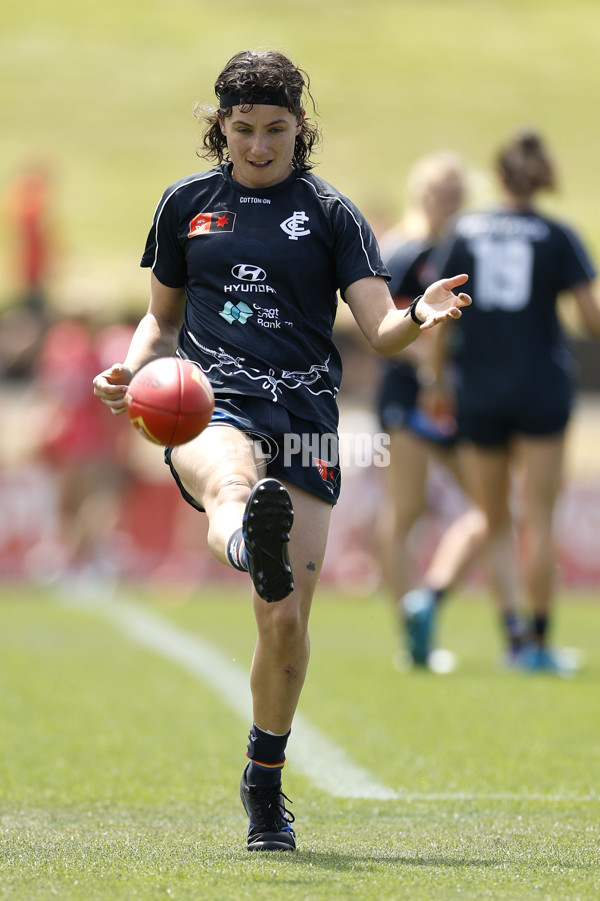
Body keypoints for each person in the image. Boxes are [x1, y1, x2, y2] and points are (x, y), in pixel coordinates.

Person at [93, 49, 471, 851]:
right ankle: (240, 536)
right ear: (219, 129)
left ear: (301, 127)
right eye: (243, 130)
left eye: (275, 130)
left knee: (287, 625)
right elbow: (160, 319)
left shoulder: (331, 214)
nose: (259, 146)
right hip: (206, 399)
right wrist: (135, 363)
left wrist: (420, 315)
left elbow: (380, 330)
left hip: (303, 418)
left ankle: (263, 782)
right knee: (229, 476)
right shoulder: (185, 206)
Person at [401, 129, 600, 674]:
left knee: (493, 519)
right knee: (539, 517)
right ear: (541, 177)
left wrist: (437, 383)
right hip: (541, 389)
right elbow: (591, 318)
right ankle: (536, 644)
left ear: (500, 175)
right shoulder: (559, 235)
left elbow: (440, 315)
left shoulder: (466, 229)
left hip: (480, 391)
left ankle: (511, 635)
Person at [374, 152, 488, 669]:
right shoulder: (402, 249)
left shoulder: (465, 248)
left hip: (456, 396)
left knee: (493, 510)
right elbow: (375, 321)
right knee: (407, 511)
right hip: (410, 393)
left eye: (457, 193)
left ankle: (434, 604)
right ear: (421, 194)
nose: (449, 203)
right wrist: (429, 360)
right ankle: (410, 634)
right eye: (441, 192)